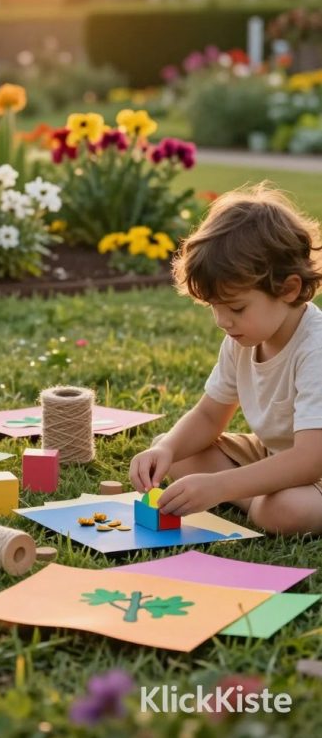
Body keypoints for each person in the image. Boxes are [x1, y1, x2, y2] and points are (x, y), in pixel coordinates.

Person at [129, 184, 322, 535]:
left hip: (314, 470)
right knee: (178, 457)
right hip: (273, 455)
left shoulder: (316, 349)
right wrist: (168, 447)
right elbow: (208, 415)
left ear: (289, 289)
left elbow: (310, 461)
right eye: (214, 307)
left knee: (284, 511)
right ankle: (258, 497)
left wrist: (221, 487)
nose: (222, 321)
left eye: (235, 307)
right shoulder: (243, 337)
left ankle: (259, 502)